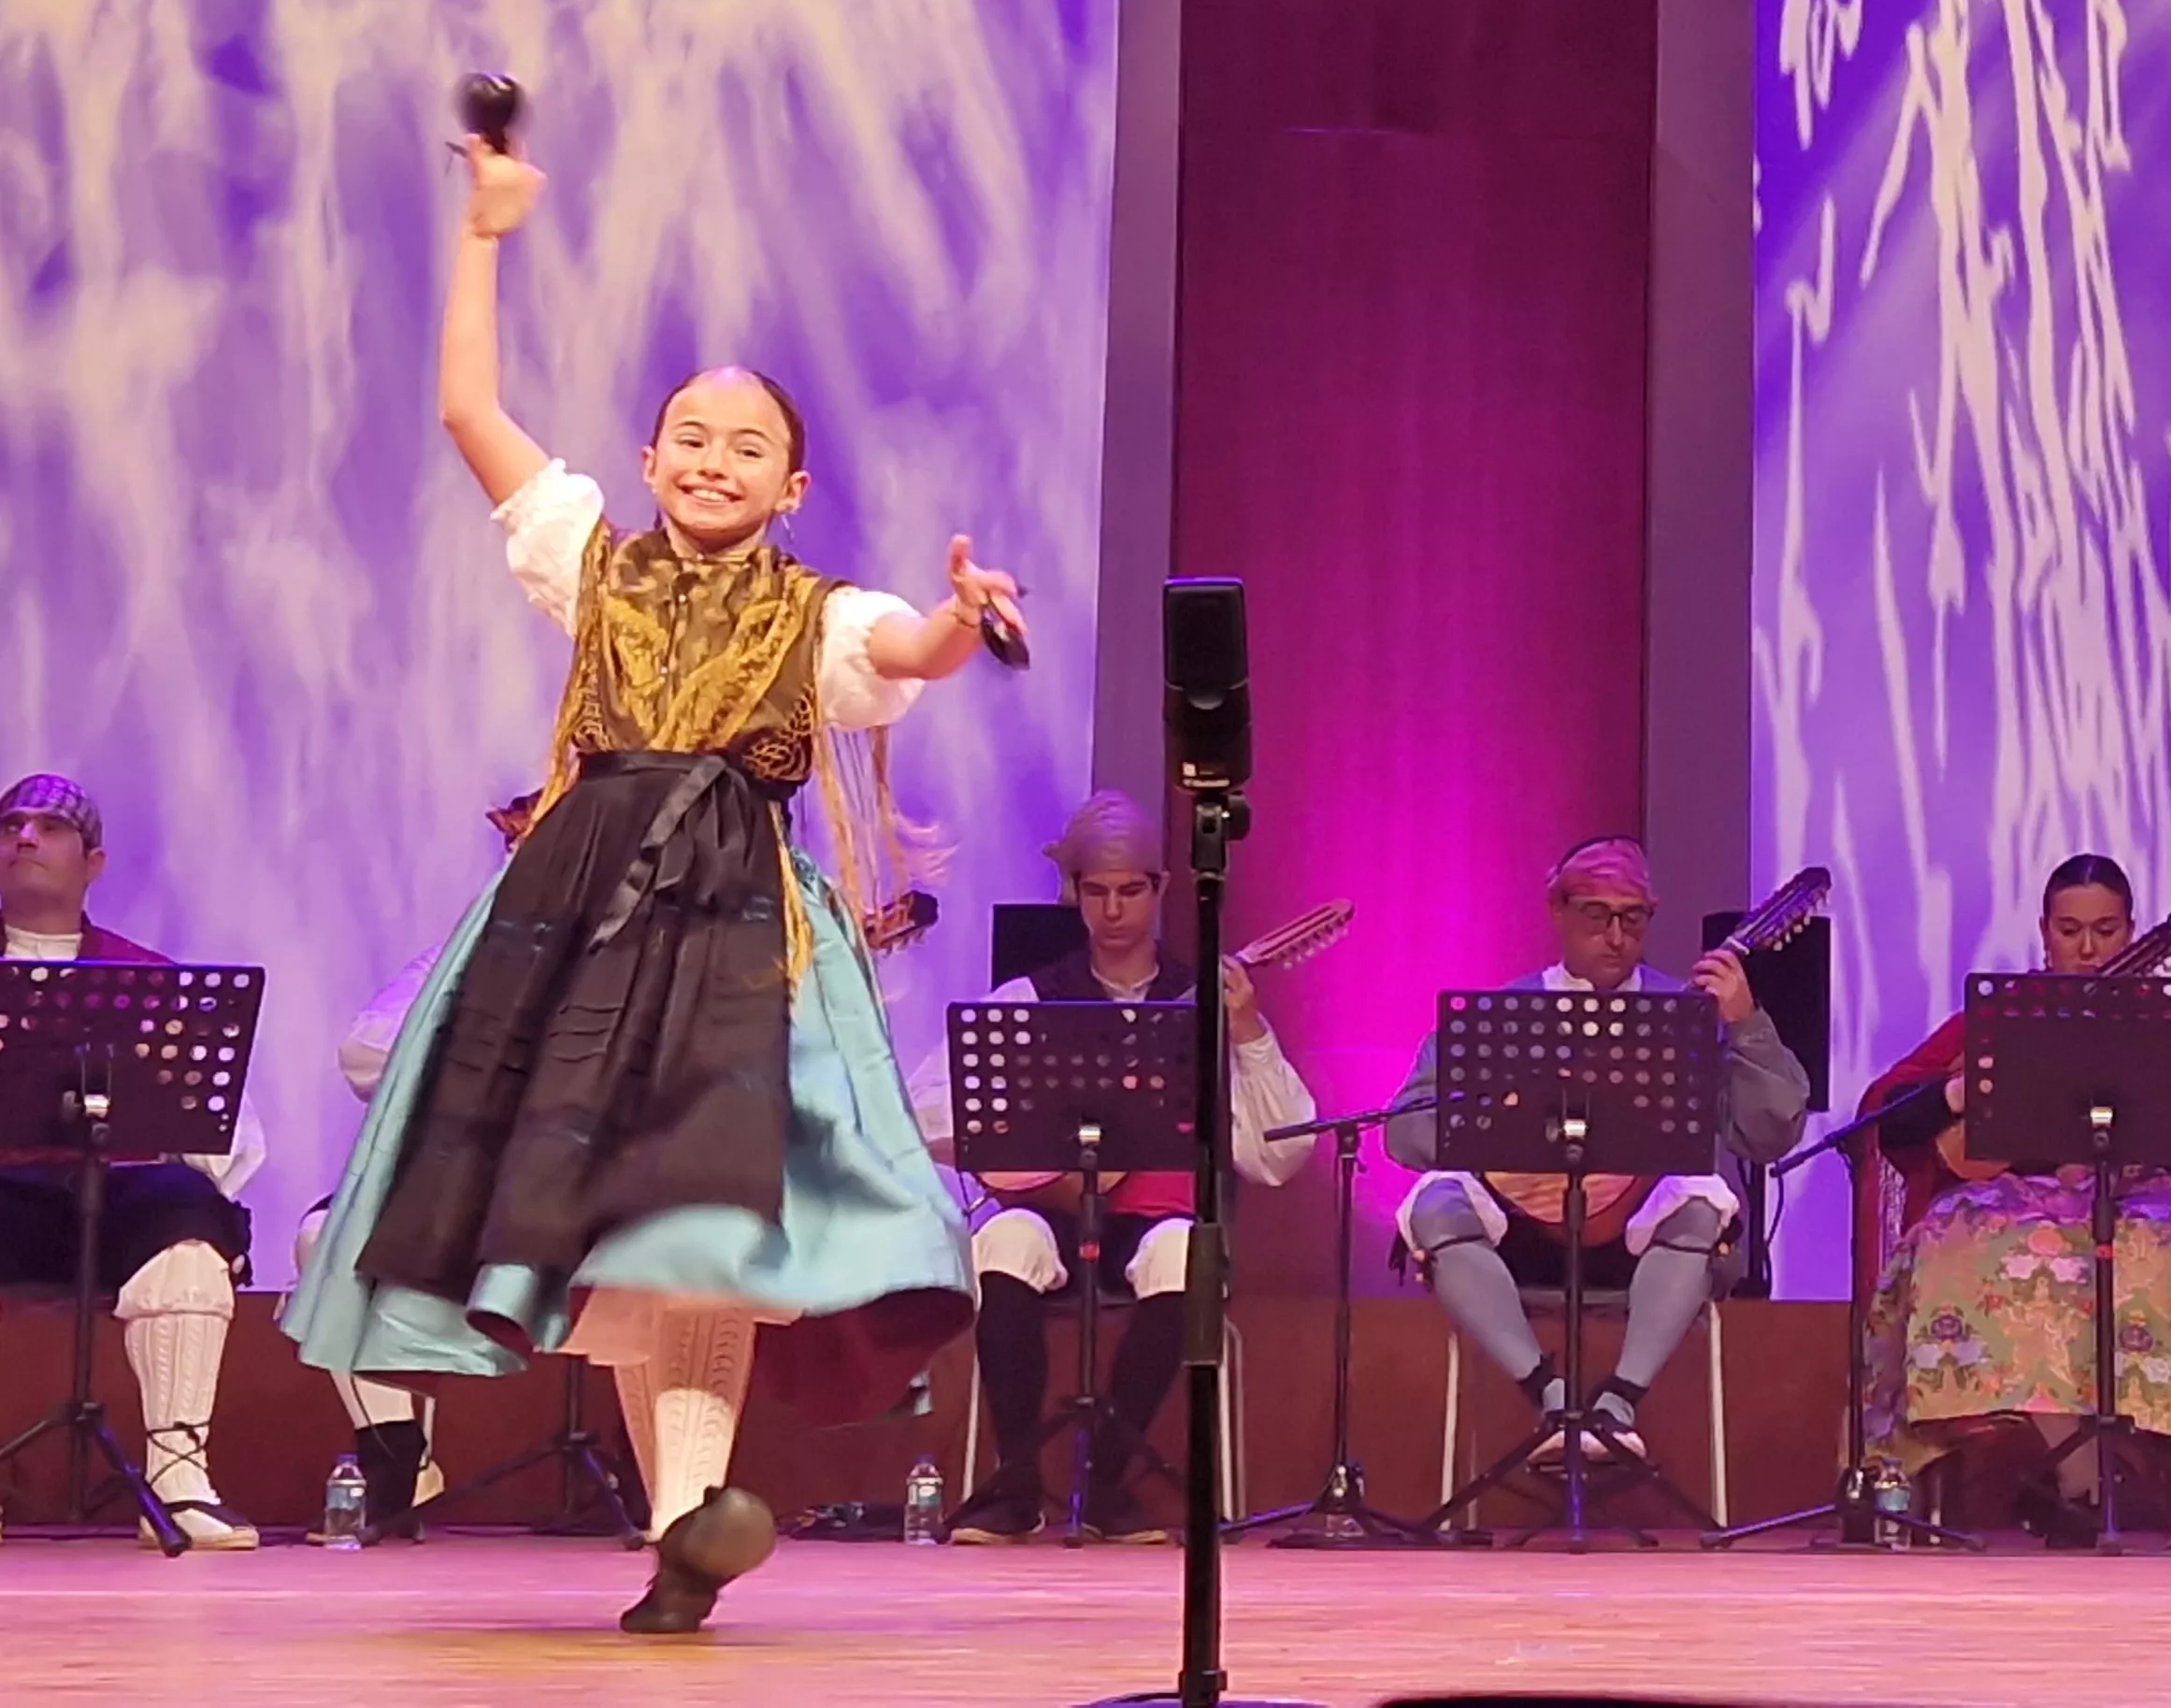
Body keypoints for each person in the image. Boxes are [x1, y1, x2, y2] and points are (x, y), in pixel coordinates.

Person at [284, 131, 1007, 1635]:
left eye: (746, 446)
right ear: (648, 455)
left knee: (703, 1228)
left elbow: (906, 652)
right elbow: (467, 410)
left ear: (792, 485)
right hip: (581, 920)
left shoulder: (819, 615)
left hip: (733, 940)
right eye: (690, 434)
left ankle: (686, 1523)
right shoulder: (588, 562)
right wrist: (485, 231)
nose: (712, 460)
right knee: (615, 1235)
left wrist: (959, 617)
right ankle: (681, 1531)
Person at [1856, 854, 2171, 1544]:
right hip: (2008, 1207)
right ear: (2044, 932)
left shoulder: (2165, 1024)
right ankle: (2078, 1483)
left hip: (2133, 1199)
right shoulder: (2004, 1016)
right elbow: (1888, 1110)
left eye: (2106, 931)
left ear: (2132, 933)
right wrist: (1957, 1093)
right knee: (1961, 1251)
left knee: (2163, 1255)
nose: (2087, 949)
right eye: (2070, 931)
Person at [907, 791, 1319, 1543]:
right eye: (1096, 891)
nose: (1114, 909)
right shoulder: (1029, 1000)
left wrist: (1248, 1029)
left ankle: (1107, 1480)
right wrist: (1028, 1161)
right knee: (1002, 1243)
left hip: (1154, 1218)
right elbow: (927, 1111)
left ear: (1160, 889)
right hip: (1052, 1213)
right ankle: (1017, 1482)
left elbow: (1279, 1155)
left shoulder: (1205, 1004)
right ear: (1075, 893)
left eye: (1131, 890)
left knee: (1186, 1256)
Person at [1382, 837, 1808, 1466]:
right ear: (1556, 911)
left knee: (1700, 1204)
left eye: (1632, 918)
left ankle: (1617, 1404)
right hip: (1516, 1236)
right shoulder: (1503, 1016)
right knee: (1435, 1207)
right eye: (1596, 915)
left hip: (1637, 1240)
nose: (1615, 936)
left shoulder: (1685, 1015)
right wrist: (1498, 1127)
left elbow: (1769, 1133)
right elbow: (1403, 1131)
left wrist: (1745, 1023)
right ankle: (1551, 1396)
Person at [0, 775, 267, 1550]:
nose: (24, 838)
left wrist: (170, 1077)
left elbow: (230, 1136)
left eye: (50, 827)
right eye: (11, 825)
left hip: (111, 1197)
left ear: (94, 862)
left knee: (188, 1210)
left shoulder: (152, 981)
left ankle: (178, 1484)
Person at [289, 791, 539, 1540]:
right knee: (325, 1236)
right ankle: (394, 1455)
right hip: (463, 1182)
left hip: (577, 1190)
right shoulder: (458, 957)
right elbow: (362, 1056)